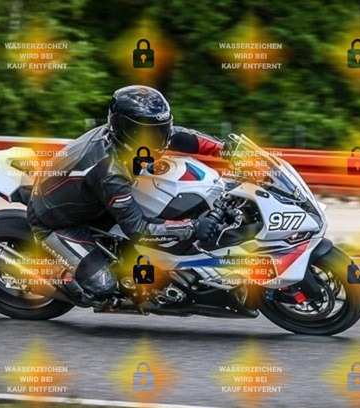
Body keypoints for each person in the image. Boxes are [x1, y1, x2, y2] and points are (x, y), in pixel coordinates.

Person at [27, 85, 226, 303]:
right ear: (124, 127)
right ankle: (41, 274)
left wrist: (224, 148)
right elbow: (138, 230)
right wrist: (193, 227)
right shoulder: (110, 172)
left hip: (90, 201)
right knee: (104, 288)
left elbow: (179, 136)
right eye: (148, 132)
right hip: (58, 222)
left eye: (160, 129)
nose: (159, 138)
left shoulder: (136, 138)